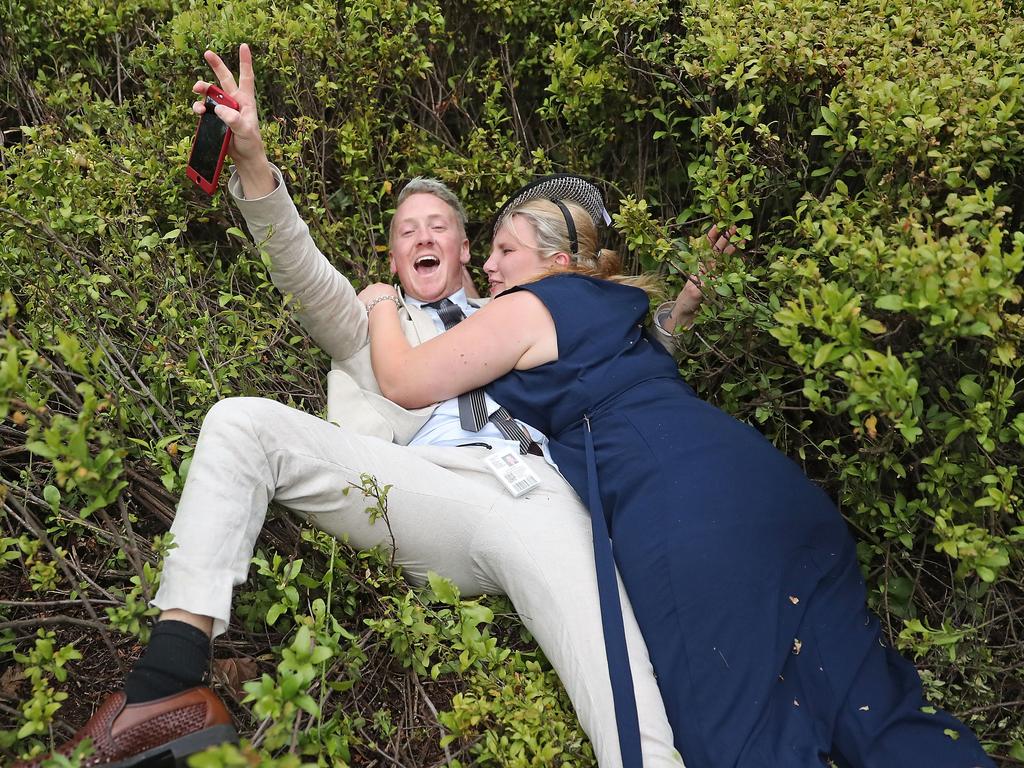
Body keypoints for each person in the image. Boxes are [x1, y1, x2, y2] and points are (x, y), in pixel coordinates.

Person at [13, 45, 737, 768]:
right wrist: (252, 162)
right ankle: (162, 687)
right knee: (239, 422)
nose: (422, 235)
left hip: (543, 499)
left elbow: (612, 380)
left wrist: (683, 310)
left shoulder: (523, 314)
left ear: (468, 248)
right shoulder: (377, 321)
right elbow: (301, 272)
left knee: (623, 698)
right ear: (392, 258)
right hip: (426, 491)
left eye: (439, 225)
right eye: (405, 230)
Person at [357, 181, 997, 768]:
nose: (490, 267)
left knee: (745, 740)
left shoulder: (527, 305)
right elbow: (621, 374)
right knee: (877, 714)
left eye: (504, 249)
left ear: (557, 261)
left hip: (680, 517)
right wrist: (682, 309)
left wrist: (383, 302)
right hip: (769, 493)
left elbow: (404, 380)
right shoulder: (613, 303)